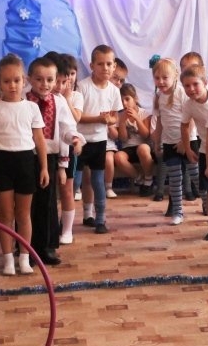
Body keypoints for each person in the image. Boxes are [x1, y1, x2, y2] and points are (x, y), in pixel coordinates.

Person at [0, 54, 49, 276]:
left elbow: (39, 140)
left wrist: (44, 167)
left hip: (26, 163)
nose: (12, 85)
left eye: (17, 80)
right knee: (5, 215)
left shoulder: (31, 108)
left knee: (23, 214)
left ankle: (24, 257)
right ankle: (8, 258)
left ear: (24, 80)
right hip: (3, 163)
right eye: (7, 81)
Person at [26, 56, 84, 267]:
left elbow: (67, 128)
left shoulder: (58, 102)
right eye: (39, 79)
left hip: (49, 157)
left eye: (50, 80)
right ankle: (25, 247)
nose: (45, 84)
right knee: (26, 204)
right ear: (29, 79)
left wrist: (74, 139)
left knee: (48, 203)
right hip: (26, 156)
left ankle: (46, 247)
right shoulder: (23, 100)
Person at [76, 45, 122, 234]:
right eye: (100, 64)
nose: (105, 68)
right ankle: (77, 216)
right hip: (80, 141)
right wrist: (99, 119)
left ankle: (100, 219)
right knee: (76, 182)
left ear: (114, 66)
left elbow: (114, 117)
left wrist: (109, 120)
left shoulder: (114, 90)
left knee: (97, 181)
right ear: (92, 66)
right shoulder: (83, 86)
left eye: (109, 64)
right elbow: (78, 117)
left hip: (99, 141)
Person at [181, 64, 208, 239]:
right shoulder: (188, 105)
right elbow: (184, 126)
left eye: (195, 84)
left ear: (205, 82)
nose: (191, 89)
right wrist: (188, 148)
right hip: (207, 151)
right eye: (187, 86)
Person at [152, 58, 192, 226]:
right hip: (169, 143)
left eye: (165, 77)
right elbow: (159, 122)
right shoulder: (158, 96)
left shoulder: (182, 93)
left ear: (175, 75)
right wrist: (157, 142)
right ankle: (178, 211)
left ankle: (207, 205)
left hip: (189, 142)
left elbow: (191, 118)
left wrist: (185, 142)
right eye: (157, 78)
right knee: (175, 179)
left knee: (197, 177)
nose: (161, 81)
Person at [53, 54, 83, 244]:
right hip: (48, 150)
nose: (61, 85)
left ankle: (67, 230)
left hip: (67, 149)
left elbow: (71, 124)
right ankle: (52, 226)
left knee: (67, 189)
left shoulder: (69, 98)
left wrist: (75, 140)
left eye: (64, 81)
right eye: (58, 81)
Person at [114, 83, 154, 195]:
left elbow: (146, 135)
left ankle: (148, 179)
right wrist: (122, 122)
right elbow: (123, 138)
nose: (124, 103)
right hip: (128, 147)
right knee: (118, 157)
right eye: (122, 101)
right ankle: (139, 178)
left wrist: (137, 119)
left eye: (127, 99)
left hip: (143, 147)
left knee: (143, 148)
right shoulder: (120, 116)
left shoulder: (144, 113)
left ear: (135, 99)